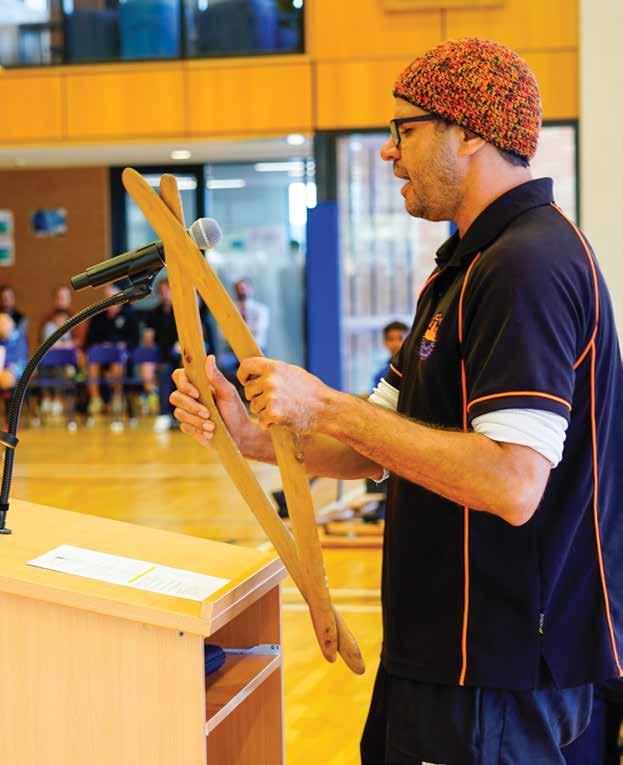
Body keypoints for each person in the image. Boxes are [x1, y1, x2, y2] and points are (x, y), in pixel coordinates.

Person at [170, 38, 623, 764]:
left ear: (467, 132)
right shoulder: (466, 267)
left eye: (403, 129)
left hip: (500, 670)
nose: (388, 151)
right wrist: (250, 433)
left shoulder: (527, 265)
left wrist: (325, 405)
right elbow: (376, 441)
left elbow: (511, 482)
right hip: (445, 654)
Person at [85, 284, 139, 415]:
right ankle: (95, 399)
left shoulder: (129, 315)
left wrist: (123, 344)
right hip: (101, 356)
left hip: (121, 357)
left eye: (112, 297)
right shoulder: (98, 316)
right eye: (107, 298)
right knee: (92, 361)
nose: (110, 301)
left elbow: (135, 339)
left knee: (117, 361)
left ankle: (117, 397)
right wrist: (101, 345)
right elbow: (90, 340)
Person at [372, 321, 408, 390]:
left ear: (410, 341)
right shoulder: (381, 373)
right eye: (391, 339)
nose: (396, 344)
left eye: (400, 338)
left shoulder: (416, 368)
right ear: (385, 342)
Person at [0, 312, 28, 391]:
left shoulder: (18, 337)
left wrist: (5, 365)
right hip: (3, 368)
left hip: (15, 367)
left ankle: (10, 398)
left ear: (11, 325)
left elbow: (20, 357)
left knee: (7, 379)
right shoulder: (2, 338)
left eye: (4, 325)